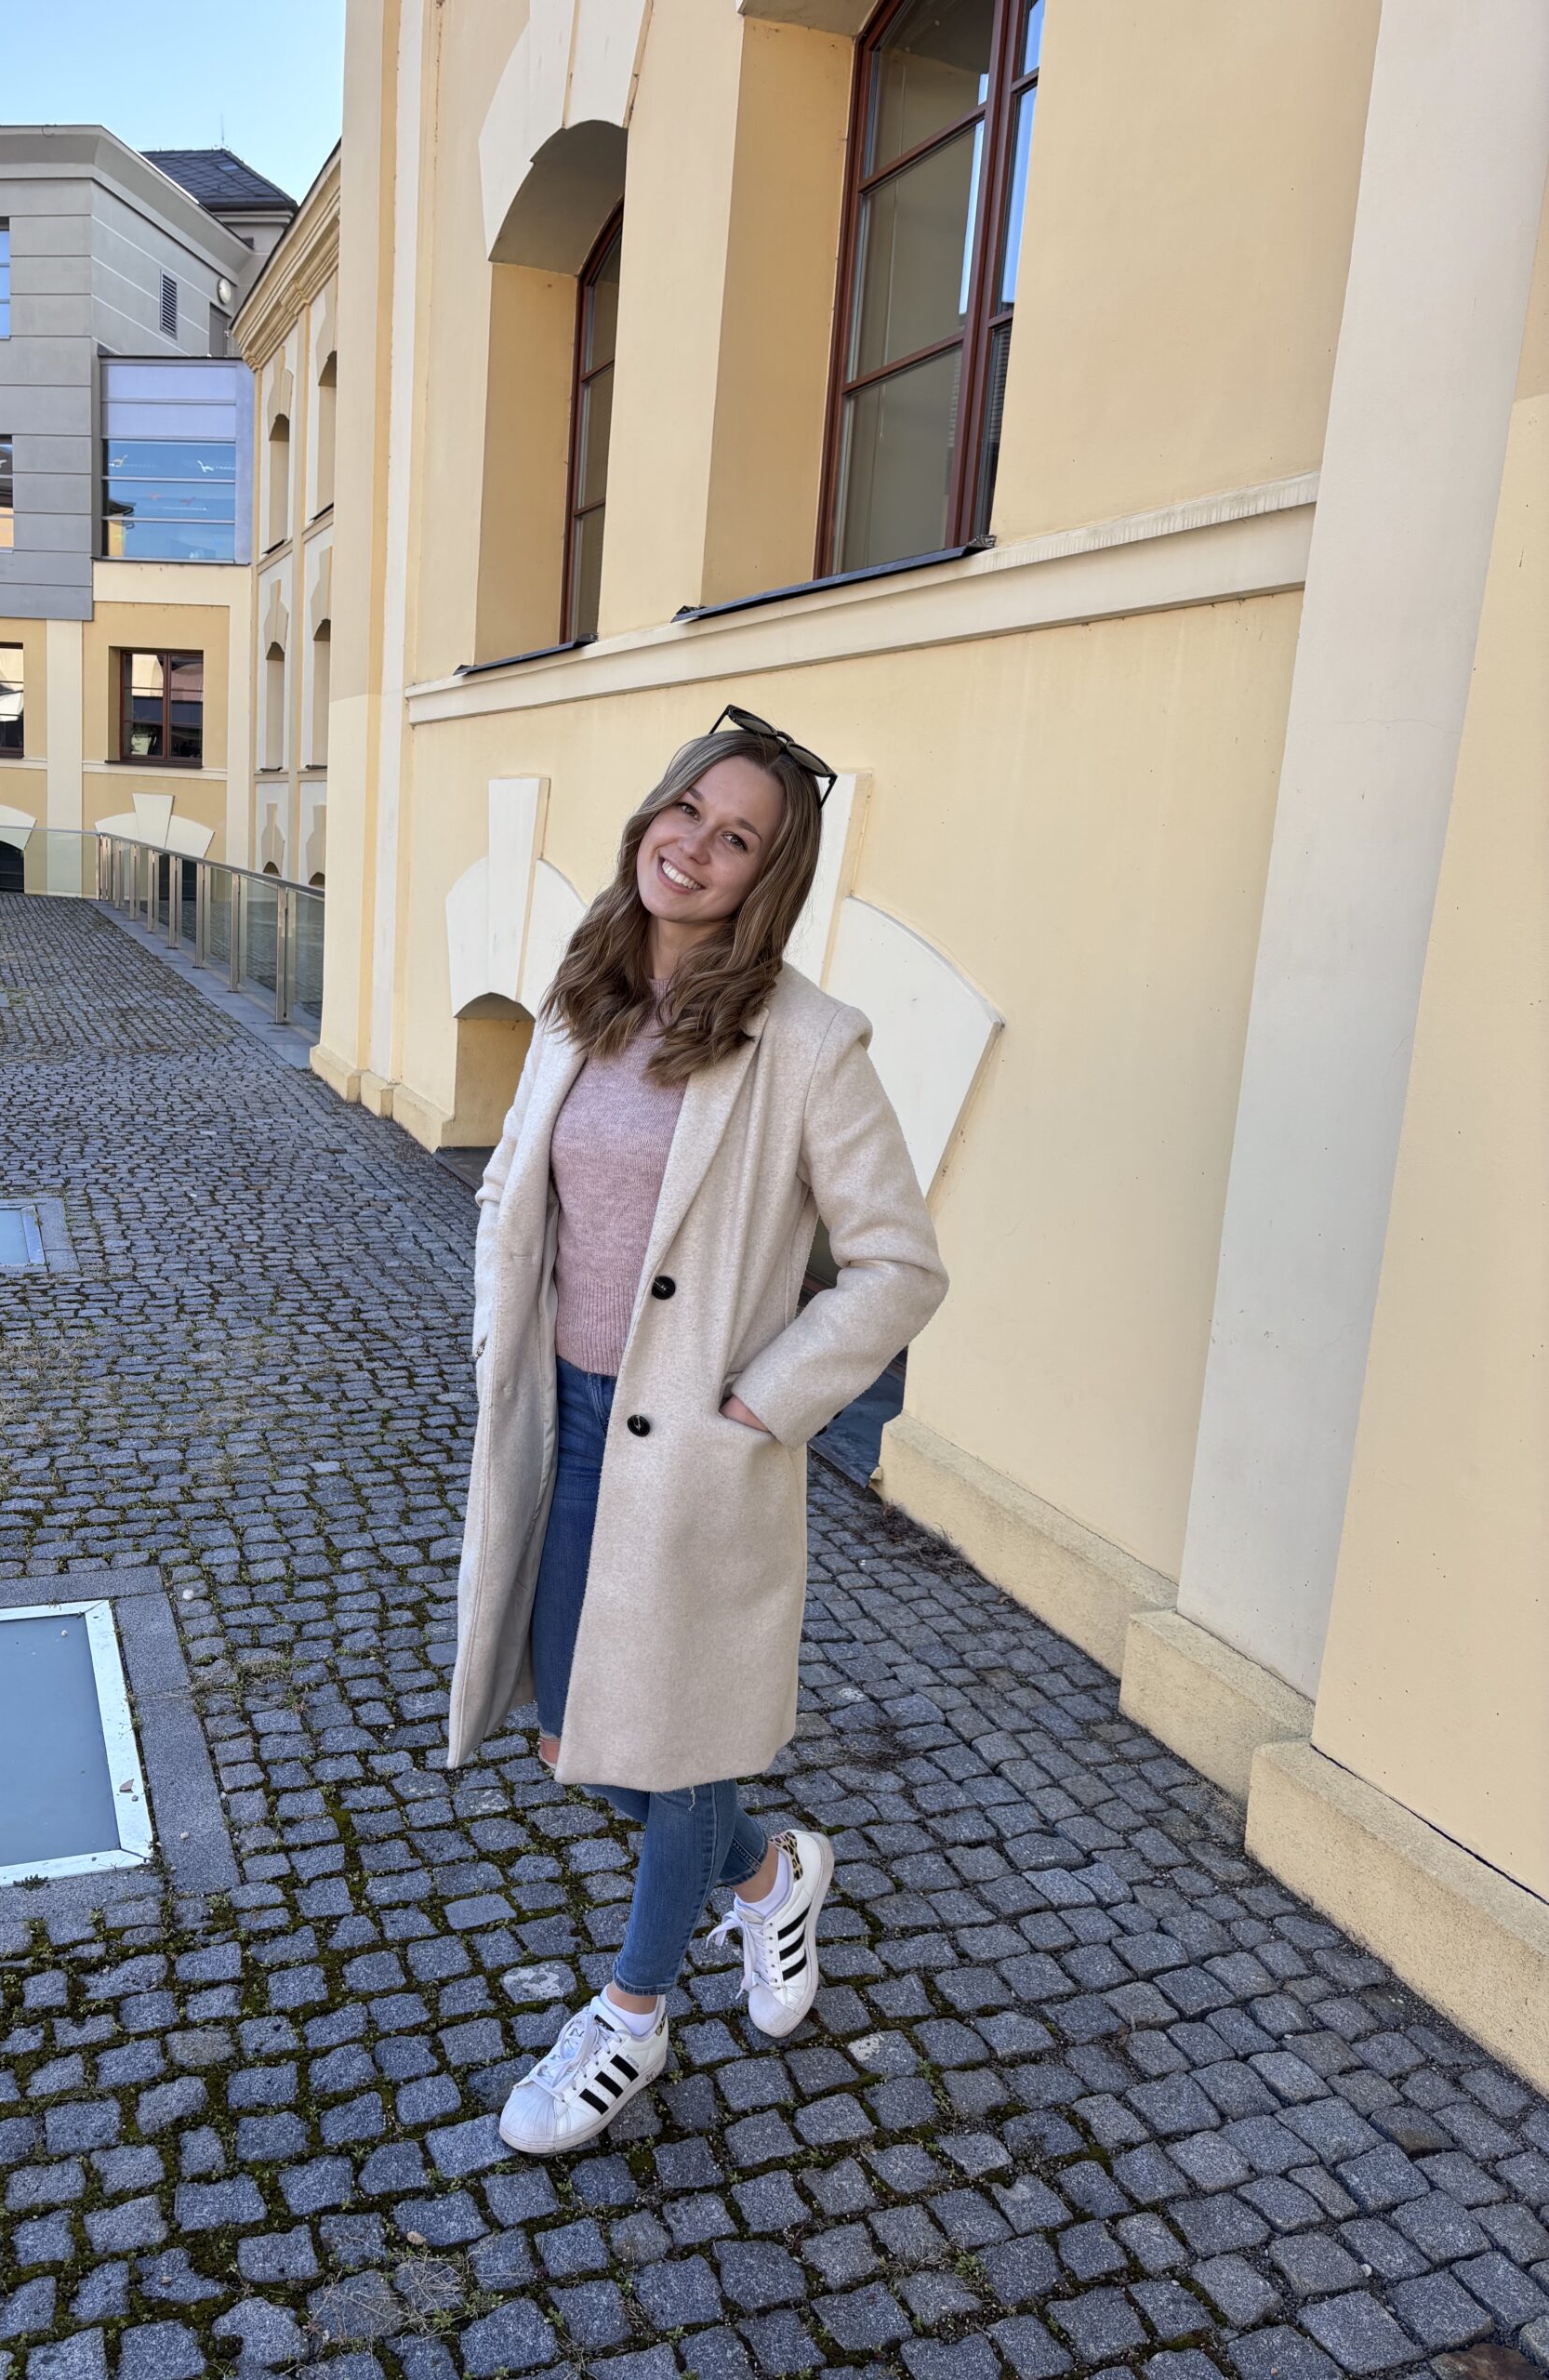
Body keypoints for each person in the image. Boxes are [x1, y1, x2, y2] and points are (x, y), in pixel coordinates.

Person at [448, 709, 948, 2156]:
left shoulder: (808, 1045)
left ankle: (631, 2015)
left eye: (738, 838)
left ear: (765, 876)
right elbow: (515, 1182)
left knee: (675, 1742)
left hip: (696, 1451)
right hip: (564, 1417)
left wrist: (762, 1404)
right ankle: (770, 1874)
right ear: (650, 815)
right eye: (687, 811)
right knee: (580, 1734)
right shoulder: (584, 995)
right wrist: (498, 1331)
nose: (696, 847)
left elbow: (898, 1266)